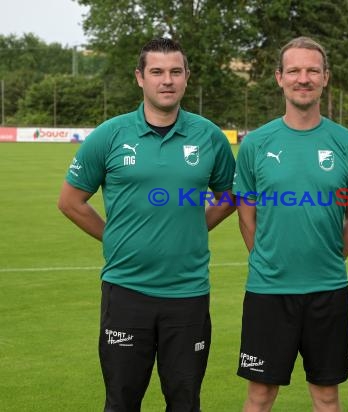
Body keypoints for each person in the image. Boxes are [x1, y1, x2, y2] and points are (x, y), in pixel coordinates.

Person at [57, 37, 236, 412]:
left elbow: (229, 197)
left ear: (187, 78)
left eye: (175, 72)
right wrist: (116, 237)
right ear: (140, 77)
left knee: (184, 402)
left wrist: (195, 227)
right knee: (121, 401)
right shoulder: (110, 135)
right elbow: (71, 202)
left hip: (187, 293)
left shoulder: (210, 137)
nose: (166, 80)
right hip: (126, 291)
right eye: (157, 72)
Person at [232, 36, 348, 412]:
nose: (302, 78)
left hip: (328, 290)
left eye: (312, 70)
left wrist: (333, 257)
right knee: (260, 395)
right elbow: (246, 212)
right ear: (279, 78)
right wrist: (266, 259)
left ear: (326, 78)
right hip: (268, 291)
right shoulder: (257, 143)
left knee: (326, 396)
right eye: (294, 70)